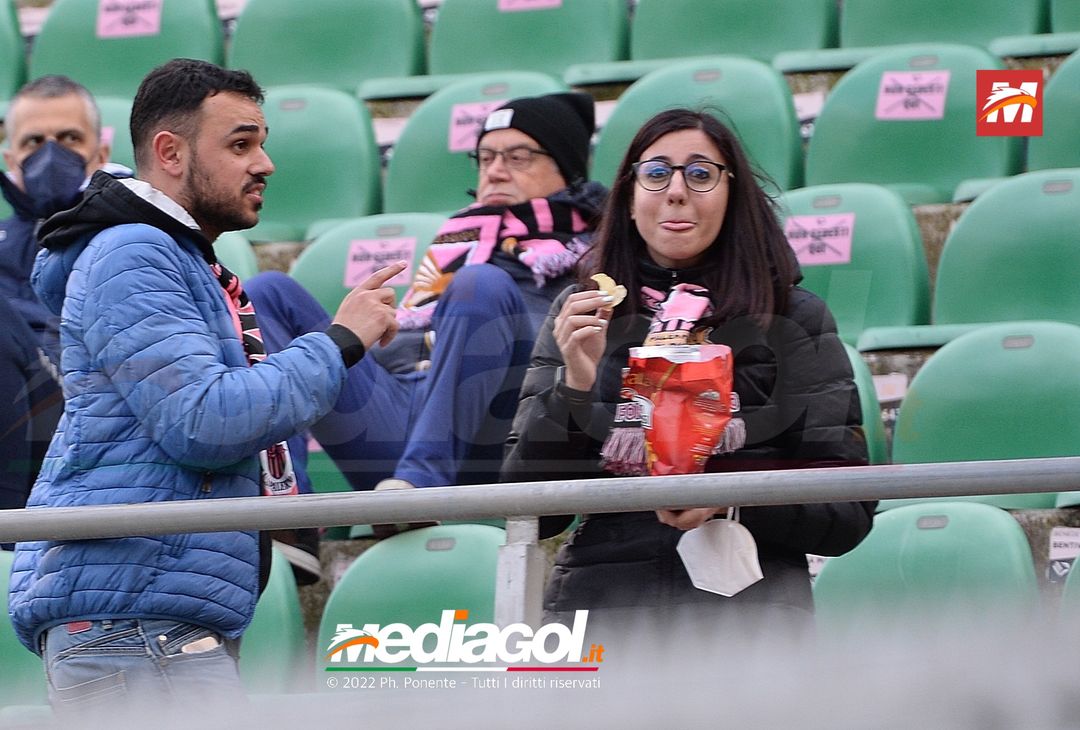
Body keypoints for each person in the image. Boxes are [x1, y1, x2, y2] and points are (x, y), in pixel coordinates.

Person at [7, 58, 402, 718]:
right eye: (241, 144)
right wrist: (338, 343)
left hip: (145, 620)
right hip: (135, 624)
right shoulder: (134, 252)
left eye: (262, 143)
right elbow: (205, 419)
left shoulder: (164, 254)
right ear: (170, 153)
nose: (265, 164)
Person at [501, 109, 875, 649]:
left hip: (750, 621)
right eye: (656, 173)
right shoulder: (583, 312)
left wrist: (729, 496)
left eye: (700, 174)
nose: (676, 192)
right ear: (629, 198)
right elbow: (528, 513)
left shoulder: (793, 317)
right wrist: (575, 386)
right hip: (602, 611)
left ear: (732, 195)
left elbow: (847, 512)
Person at [245, 92, 606, 514]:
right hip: (397, 421)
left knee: (480, 284)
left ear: (567, 168)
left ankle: (420, 487)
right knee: (268, 292)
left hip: (495, 441)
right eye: (485, 158)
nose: (495, 171)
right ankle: (287, 509)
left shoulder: (593, 252)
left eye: (518, 157)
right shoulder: (458, 242)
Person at [1, 75, 114, 366]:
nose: (50, 154)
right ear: (11, 160)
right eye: (34, 142)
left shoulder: (127, 239)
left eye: (70, 138)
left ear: (101, 154)